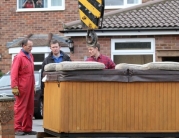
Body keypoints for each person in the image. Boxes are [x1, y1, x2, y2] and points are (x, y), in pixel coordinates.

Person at [11, 38, 37, 136]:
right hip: (22, 86)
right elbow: (14, 73)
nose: (31, 48)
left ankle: (27, 128)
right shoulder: (19, 57)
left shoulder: (30, 56)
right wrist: (14, 86)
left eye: (31, 46)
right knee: (20, 107)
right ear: (23, 46)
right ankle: (17, 128)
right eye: (29, 46)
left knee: (30, 107)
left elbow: (32, 73)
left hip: (30, 85)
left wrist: (34, 85)